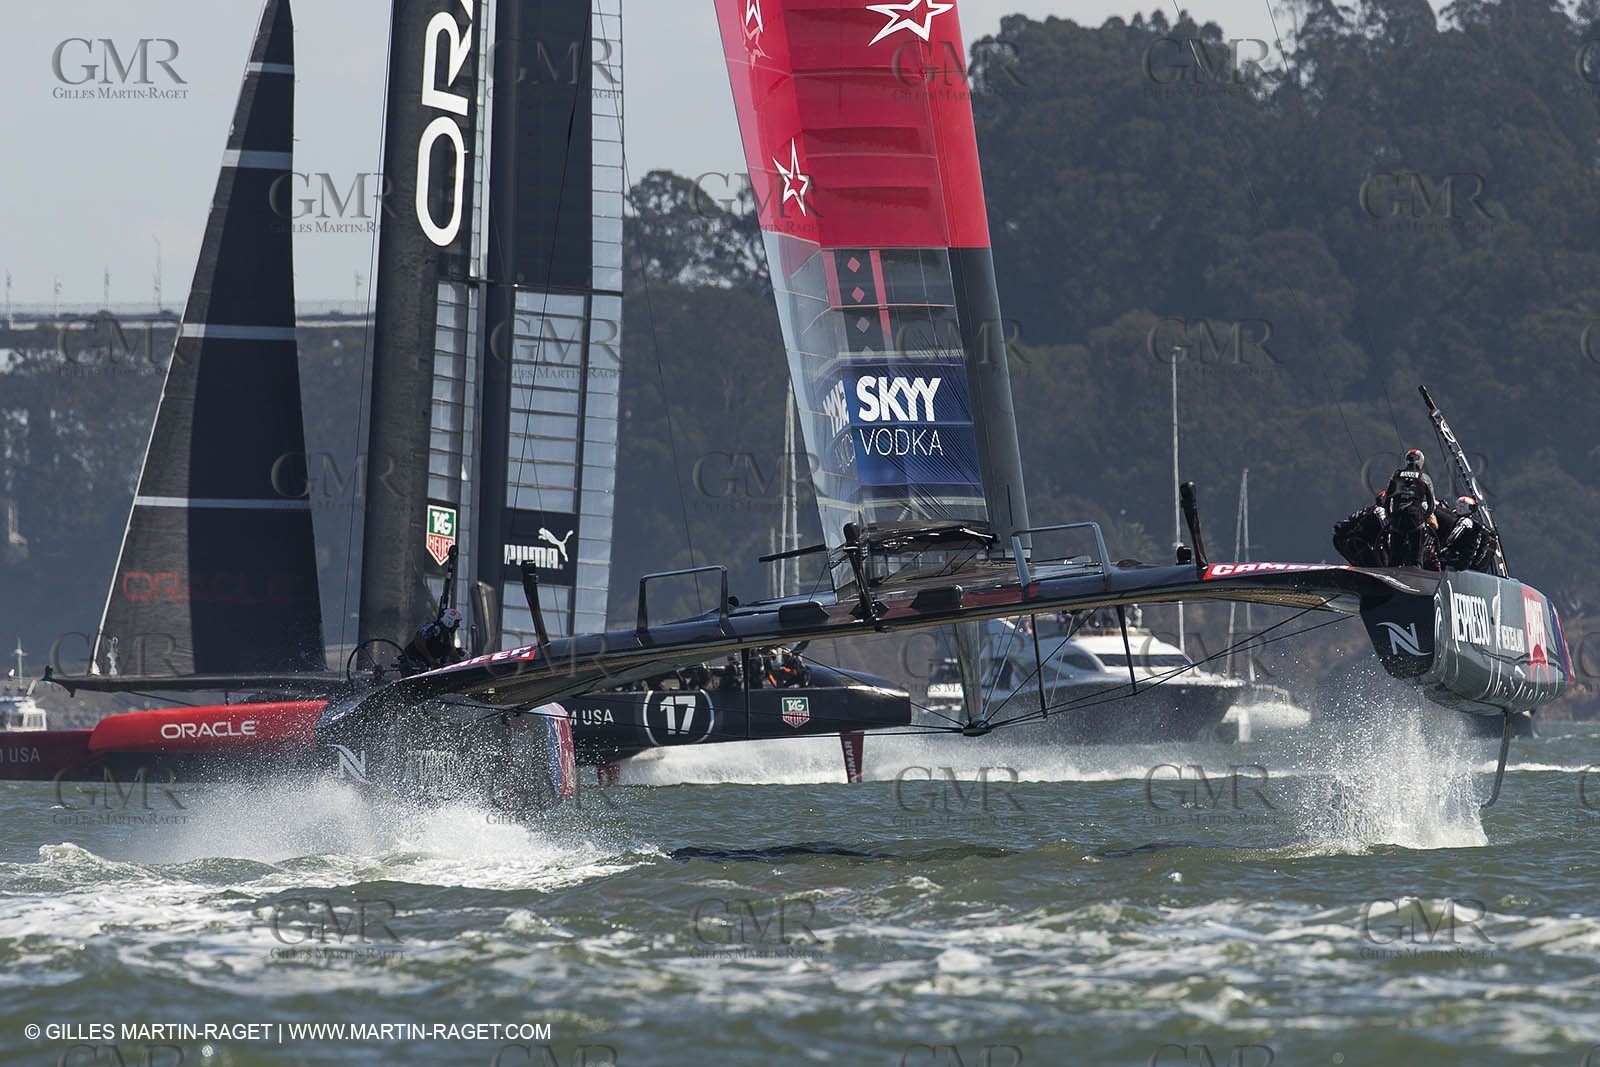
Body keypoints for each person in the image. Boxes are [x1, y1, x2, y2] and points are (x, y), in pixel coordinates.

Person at [1384, 449, 1438, 567]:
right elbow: (1431, 504)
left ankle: (1391, 576)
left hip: (1397, 519)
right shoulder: (1424, 478)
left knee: (1394, 557)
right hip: (1416, 519)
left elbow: (1386, 499)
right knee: (1416, 558)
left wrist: (1390, 517)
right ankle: (1416, 578)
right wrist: (1424, 518)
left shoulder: (1396, 475)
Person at [1437, 495, 1497, 572]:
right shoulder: (1475, 521)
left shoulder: (1466, 521)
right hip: (1473, 558)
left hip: (1469, 559)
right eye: (1472, 507)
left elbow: (1452, 537)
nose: (1474, 510)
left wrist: (1442, 548)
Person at [402, 606, 466, 674]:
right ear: (450, 621)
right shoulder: (435, 628)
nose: (458, 625)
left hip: (424, 666)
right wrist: (430, 659)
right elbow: (419, 639)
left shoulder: (446, 636)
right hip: (411, 661)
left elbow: (450, 650)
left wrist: (461, 666)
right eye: (457, 622)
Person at [1332, 492, 1390, 567]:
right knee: (1374, 565)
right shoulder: (1380, 510)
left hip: (1347, 538)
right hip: (1350, 539)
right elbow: (1387, 528)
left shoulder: (1378, 511)